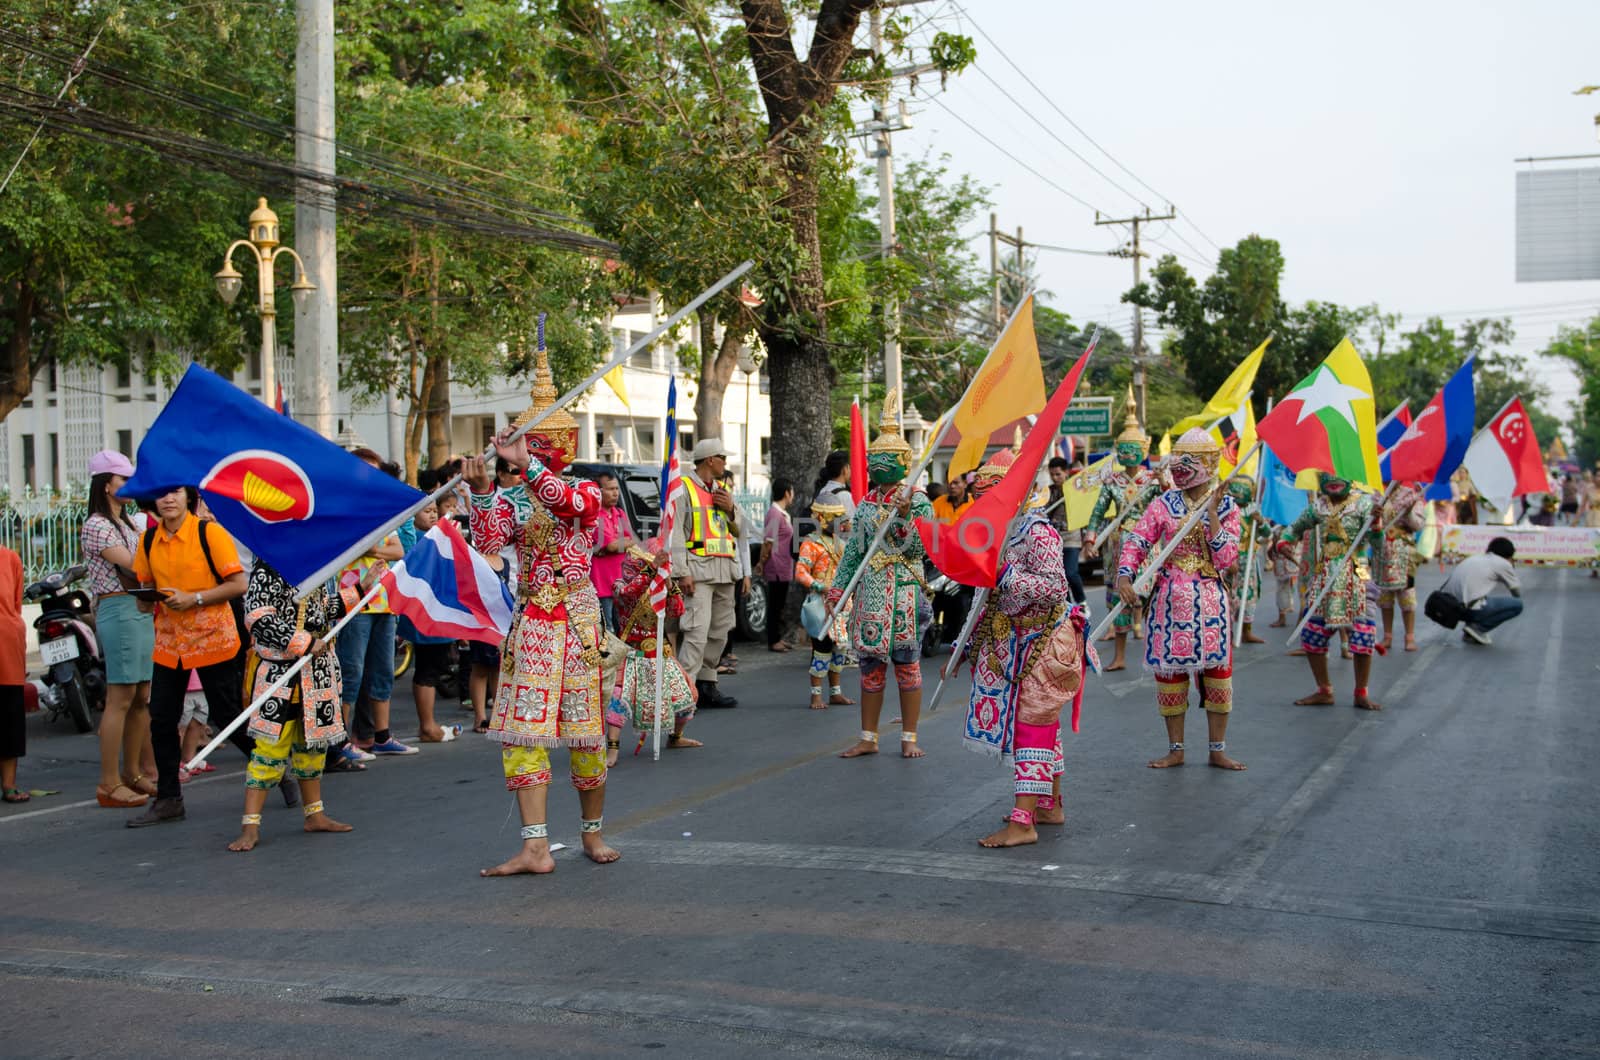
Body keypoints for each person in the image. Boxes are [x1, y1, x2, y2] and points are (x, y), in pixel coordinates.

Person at [471, 347, 618, 876]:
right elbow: (488, 540)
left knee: (585, 733)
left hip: (577, 620)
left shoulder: (582, 489)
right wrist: (483, 489)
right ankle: (535, 847)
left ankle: (592, 833)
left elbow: (565, 503)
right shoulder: (514, 498)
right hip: (533, 620)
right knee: (522, 734)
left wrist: (523, 465)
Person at [955, 448, 1088, 847]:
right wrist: (965, 642)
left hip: (1044, 641)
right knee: (1042, 725)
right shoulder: (1002, 533)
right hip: (1014, 640)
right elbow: (984, 596)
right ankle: (1049, 803)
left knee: (1033, 728)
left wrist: (1005, 573)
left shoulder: (1037, 531)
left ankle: (1023, 821)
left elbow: (1052, 587)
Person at [125, 487, 259, 826]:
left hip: (214, 637)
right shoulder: (148, 541)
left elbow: (238, 584)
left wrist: (195, 599)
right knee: (162, 719)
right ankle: (170, 799)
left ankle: (273, 770)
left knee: (226, 714)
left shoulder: (208, 532)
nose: (168, 499)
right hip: (170, 644)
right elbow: (145, 591)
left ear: (189, 497)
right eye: (161, 495)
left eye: (175, 493)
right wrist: (145, 598)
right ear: (152, 502)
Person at [1117, 429, 1246, 771]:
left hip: (1210, 602)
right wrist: (1124, 574)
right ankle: (1176, 748)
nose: (1178, 469)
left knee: (1218, 675)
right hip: (1170, 601)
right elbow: (1138, 539)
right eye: (1176, 461)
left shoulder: (1230, 508)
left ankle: (1217, 749)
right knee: (1170, 676)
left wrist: (1214, 513)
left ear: (1207, 464)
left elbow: (1226, 558)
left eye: (1187, 462)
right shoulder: (1163, 504)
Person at [228, 558, 374, 851]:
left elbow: (321, 612)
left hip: (316, 674)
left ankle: (314, 815)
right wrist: (303, 642)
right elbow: (257, 617)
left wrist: (359, 590)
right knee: (269, 750)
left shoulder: (310, 567)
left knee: (313, 748)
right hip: (280, 675)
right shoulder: (269, 566)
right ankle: (250, 825)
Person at [830, 391, 933, 759]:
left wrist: (904, 516)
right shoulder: (866, 503)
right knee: (871, 667)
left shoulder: (919, 500)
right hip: (871, 592)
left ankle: (909, 736)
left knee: (907, 664)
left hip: (905, 591)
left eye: (884, 459)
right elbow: (854, 551)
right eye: (873, 459)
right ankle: (868, 737)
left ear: (903, 462)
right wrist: (837, 589)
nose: (875, 465)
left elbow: (920, 548)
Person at [80, 451, 157, 808]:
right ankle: (108, 782)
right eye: (123, 479)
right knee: (120, 698)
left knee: (142, 696)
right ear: (106, 484)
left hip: (140, 608)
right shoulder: (97, 524)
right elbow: (136, 565)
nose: (129, 484)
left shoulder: (129, 523)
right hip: (118, 606)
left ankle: (134, 773)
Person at [1278, 473, 1382, 711]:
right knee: (1312, 636)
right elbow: (1296, 526)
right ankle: (1324, 690)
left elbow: (1377, 544)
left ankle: (1361, 692)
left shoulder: (1365, 504)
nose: (1333, 481)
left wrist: (1376, 526)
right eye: (1327, 476)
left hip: (1356, 576)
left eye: (1339, 476)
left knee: (1363, 636)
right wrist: (1285, 541)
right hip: (1325, 576)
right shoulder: (1320, 506)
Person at [331, 448, 410, 763]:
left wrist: (373, 547)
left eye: (375, 470)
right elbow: (342, 550)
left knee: (382, 670)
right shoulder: (340, 508)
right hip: (353, 600)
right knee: (351, 671)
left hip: (383, 600)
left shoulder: (382, 509)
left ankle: (381, 736)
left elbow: (399, 550)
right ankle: (340, 740)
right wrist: (377, 548)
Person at [1084, 391, 1162, 671]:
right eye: (1124, 448)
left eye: (1134, 448)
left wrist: (1164, 485)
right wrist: (1090, 538)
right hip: (1118, 546)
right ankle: (1118, 656)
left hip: (1148, 545)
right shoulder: (1111, 481)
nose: (1128, 453)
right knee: (1119, 598)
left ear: (1144, 448)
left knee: (1152, 596)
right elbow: (1097, 511)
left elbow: (1166, 509)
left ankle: (1155, 650)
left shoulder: (1153, 480)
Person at [609, 537, 700, 753]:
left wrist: (668, 583)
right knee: (618, 699)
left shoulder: (659, 590)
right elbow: (627, 595)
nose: (630, 565)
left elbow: (676, 611)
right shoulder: (620, 585)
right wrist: (653, 570)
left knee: (687, 697)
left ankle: (675, 737)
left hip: (659, 653)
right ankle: (612, 748)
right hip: (631, 654)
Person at [669, 439, 742, 709]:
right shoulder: (684, 488)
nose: (726, 463)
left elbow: (739, 529)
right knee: (696, 633)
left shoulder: (722, 490)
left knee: (719, 633)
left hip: (725, 571)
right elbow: (675, 532)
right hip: (698, 572)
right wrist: (681, 572)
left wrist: (731, 509)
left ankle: (708, 684)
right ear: (710, 459)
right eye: (723, 457)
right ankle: (684, 694)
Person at [400, 500, 461, 744]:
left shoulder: (438, 534)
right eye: (427, 511)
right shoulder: (416, 538)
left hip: (439, 612)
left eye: (435, 510)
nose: (433, 515)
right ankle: (427, 725)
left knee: (433, 667)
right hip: (426, 614)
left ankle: (429, 723)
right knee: (427, 669)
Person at [794, 501, 854, 710]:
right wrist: (820, 587)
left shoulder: (841, 543)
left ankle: (836, 693)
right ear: (821, 519)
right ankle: (816, 696)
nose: (839, 523)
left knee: (840, 649)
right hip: (821, 602)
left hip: (841, 603)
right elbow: (801, 572)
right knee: (821, 649)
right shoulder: (810, 544)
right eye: (834, 518)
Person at [1438, 537, 1523, 645]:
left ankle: (1470, 630)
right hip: (1467, 609)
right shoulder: (1503, 564)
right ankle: (1478, 628)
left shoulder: (1475, 557)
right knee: (1517, 605)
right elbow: (1516, 593)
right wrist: (1509, 570)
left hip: (1447, 606)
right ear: (1509, 554)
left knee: (1480, 597)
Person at [1375, 481, 1427, 652]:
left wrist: (1409, 512)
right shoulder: (1376, 494)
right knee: (1385, 596)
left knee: (1407, 595)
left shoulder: (1411, 494)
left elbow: (1418, 525)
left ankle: (1409, 636)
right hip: (1382, 550)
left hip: (1404, 551)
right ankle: (1387, 635)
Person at [1222, 474, 1268, 644]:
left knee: (1248, 595)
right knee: (1227, 594)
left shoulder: (1254, 509)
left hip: (1248, 557)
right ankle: (1228, 632)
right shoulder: (1224, 508)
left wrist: (1261, 522)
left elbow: (1266, 534)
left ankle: (1246, 631)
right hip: (1228, 557)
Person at [590, 471, 634, 632]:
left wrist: (617, 544)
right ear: (598, 491)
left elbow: (633, 540)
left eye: (616, 488)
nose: (615, 493)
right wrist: (619, 544)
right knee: (607, 630)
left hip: (621, 583)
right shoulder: (594, 515)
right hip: (602, 585)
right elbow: (611, 546)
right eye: (610, 489)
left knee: (623, 628)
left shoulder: (620, 513)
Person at [758, 478, 797, 652]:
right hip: (776, 566)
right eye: (792, 492)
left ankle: (778, 637)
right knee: (775, 605)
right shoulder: (774, 514)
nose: (793, 495)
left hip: (783, 565)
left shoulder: (780, 513)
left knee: (779, 604)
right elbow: (768, 542)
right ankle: (773, 640)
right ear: (787, 493)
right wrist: (761, 562)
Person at [1, 544, 26, 803]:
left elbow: (16, 605)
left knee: (9, 717)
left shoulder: (10, 558)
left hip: (6, 644)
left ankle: (9, 784)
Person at [1045, 457, 1087, 605]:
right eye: (1052, 475)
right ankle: (1067, 607)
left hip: (1071, 538)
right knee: (1058, 577)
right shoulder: (1048, 492)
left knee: (1070, 573)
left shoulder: (1076, 489)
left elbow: (1083, 509)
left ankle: (1081, 602)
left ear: (1066, 472)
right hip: (1054, 540)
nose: (1055, 478)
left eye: (1058, 474)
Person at [813, 450, 856, 521]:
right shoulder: (845, 496)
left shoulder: (823, 490)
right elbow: (852, 525)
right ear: (844, 469)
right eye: (849, 467)